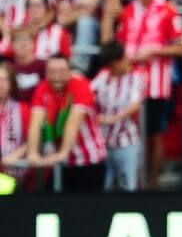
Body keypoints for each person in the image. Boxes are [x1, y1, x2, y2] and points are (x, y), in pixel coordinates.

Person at [110, 0, 182, 188]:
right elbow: (119, 45)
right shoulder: (129, 11)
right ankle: (133, 182)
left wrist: (155, 51)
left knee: (154, 134)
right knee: (131, 135)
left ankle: (151, 184)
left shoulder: (168, 11)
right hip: (129, 82)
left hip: (155, 82)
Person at [26, 54, 107, 191]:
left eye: (62, 71)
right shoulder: (42, 88)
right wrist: (33, 152)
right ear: (46, 73)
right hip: (62, 162)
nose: (57, 76)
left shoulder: (81, 85)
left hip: (88, 160)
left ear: (69, 71)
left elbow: (73, 121)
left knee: (86, 207)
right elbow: (35, 122)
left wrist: (63, 153)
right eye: (52, 72)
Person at [91, 41, 146, 191]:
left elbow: (135, 104)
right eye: (118, 62)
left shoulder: (136, 78)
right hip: (103, 143)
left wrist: (113, 119)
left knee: (129, 185)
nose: (124, 63)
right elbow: (88, 94)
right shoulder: (102, 78)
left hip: (127, 141)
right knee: (104, 186)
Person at [0, 63, 31, 186]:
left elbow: (34, 141)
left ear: (12, 84)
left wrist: (16, 155)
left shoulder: (23, 109)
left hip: (15, 176)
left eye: (4, 80)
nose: (0, 84)